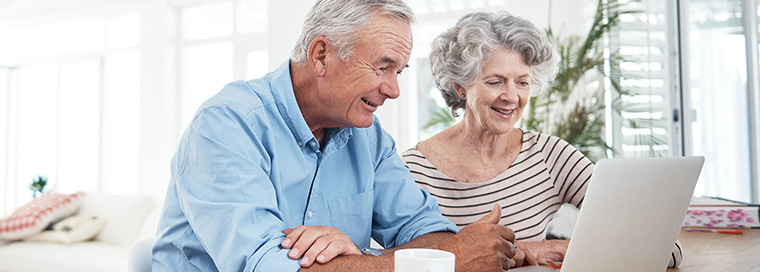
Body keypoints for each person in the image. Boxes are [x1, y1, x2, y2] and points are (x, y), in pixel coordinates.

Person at [152, 1, 521, 271]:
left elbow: (432, 234)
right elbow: (274, 269)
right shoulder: (227, 125)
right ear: (322, 55)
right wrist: (444, 261)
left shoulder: (368, 136)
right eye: (383, 67)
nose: (393, 90)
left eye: (400, 71)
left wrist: (361, 262)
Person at [401, 11, 683, 268]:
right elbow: (403, 263)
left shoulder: (550, 155)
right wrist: (518, 250)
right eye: (495, 81)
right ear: (460, 88)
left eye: (522, 82)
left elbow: (665, 248)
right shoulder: (413, 168)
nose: (512, 97)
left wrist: (560, 248)